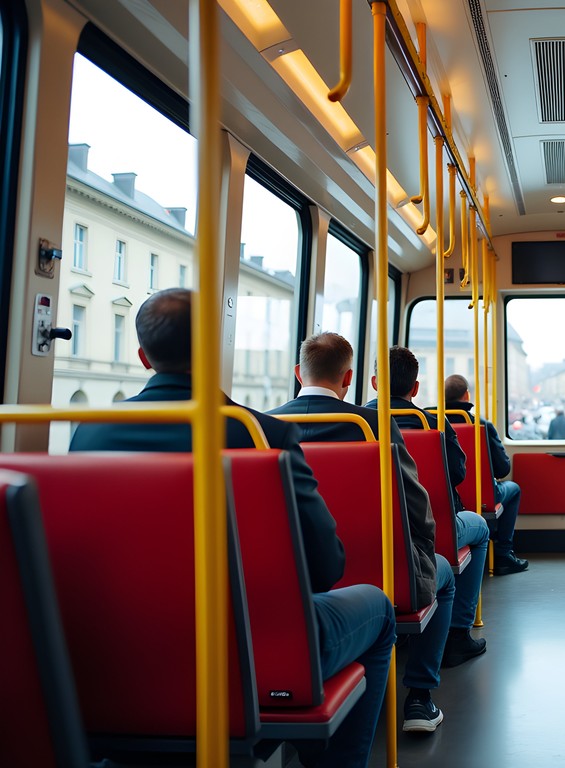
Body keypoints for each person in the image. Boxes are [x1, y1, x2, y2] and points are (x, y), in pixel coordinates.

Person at [69, 290, 394, 768]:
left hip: (120, 656)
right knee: (380, 609)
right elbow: (325, 567)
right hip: (253, 653)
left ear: (143, 357)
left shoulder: (87, 434)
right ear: (217, 351)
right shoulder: (262, 435)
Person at [268, 332, 451, 733]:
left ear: (299, 373)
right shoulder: (373, 427)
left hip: (292, 586)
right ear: (348, 378)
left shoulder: (263, 427)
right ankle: (419, 697)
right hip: (383, 570)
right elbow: (416, 510)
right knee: (446, 574)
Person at [366, 347, 490, 668]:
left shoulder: (355, 424)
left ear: (375, 383)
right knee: (479, 527)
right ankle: (458, 634)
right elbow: (458, 474)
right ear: (415, 388)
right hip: (431, 531)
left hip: (366, 539)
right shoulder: (433, 424)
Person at [443, 374, 529, 575]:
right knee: (513, 488)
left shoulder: (431, 422)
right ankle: (503, 553)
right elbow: (502, 469)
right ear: (466, 395)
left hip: (446, 497)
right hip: (481, 495)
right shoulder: (480, 425)